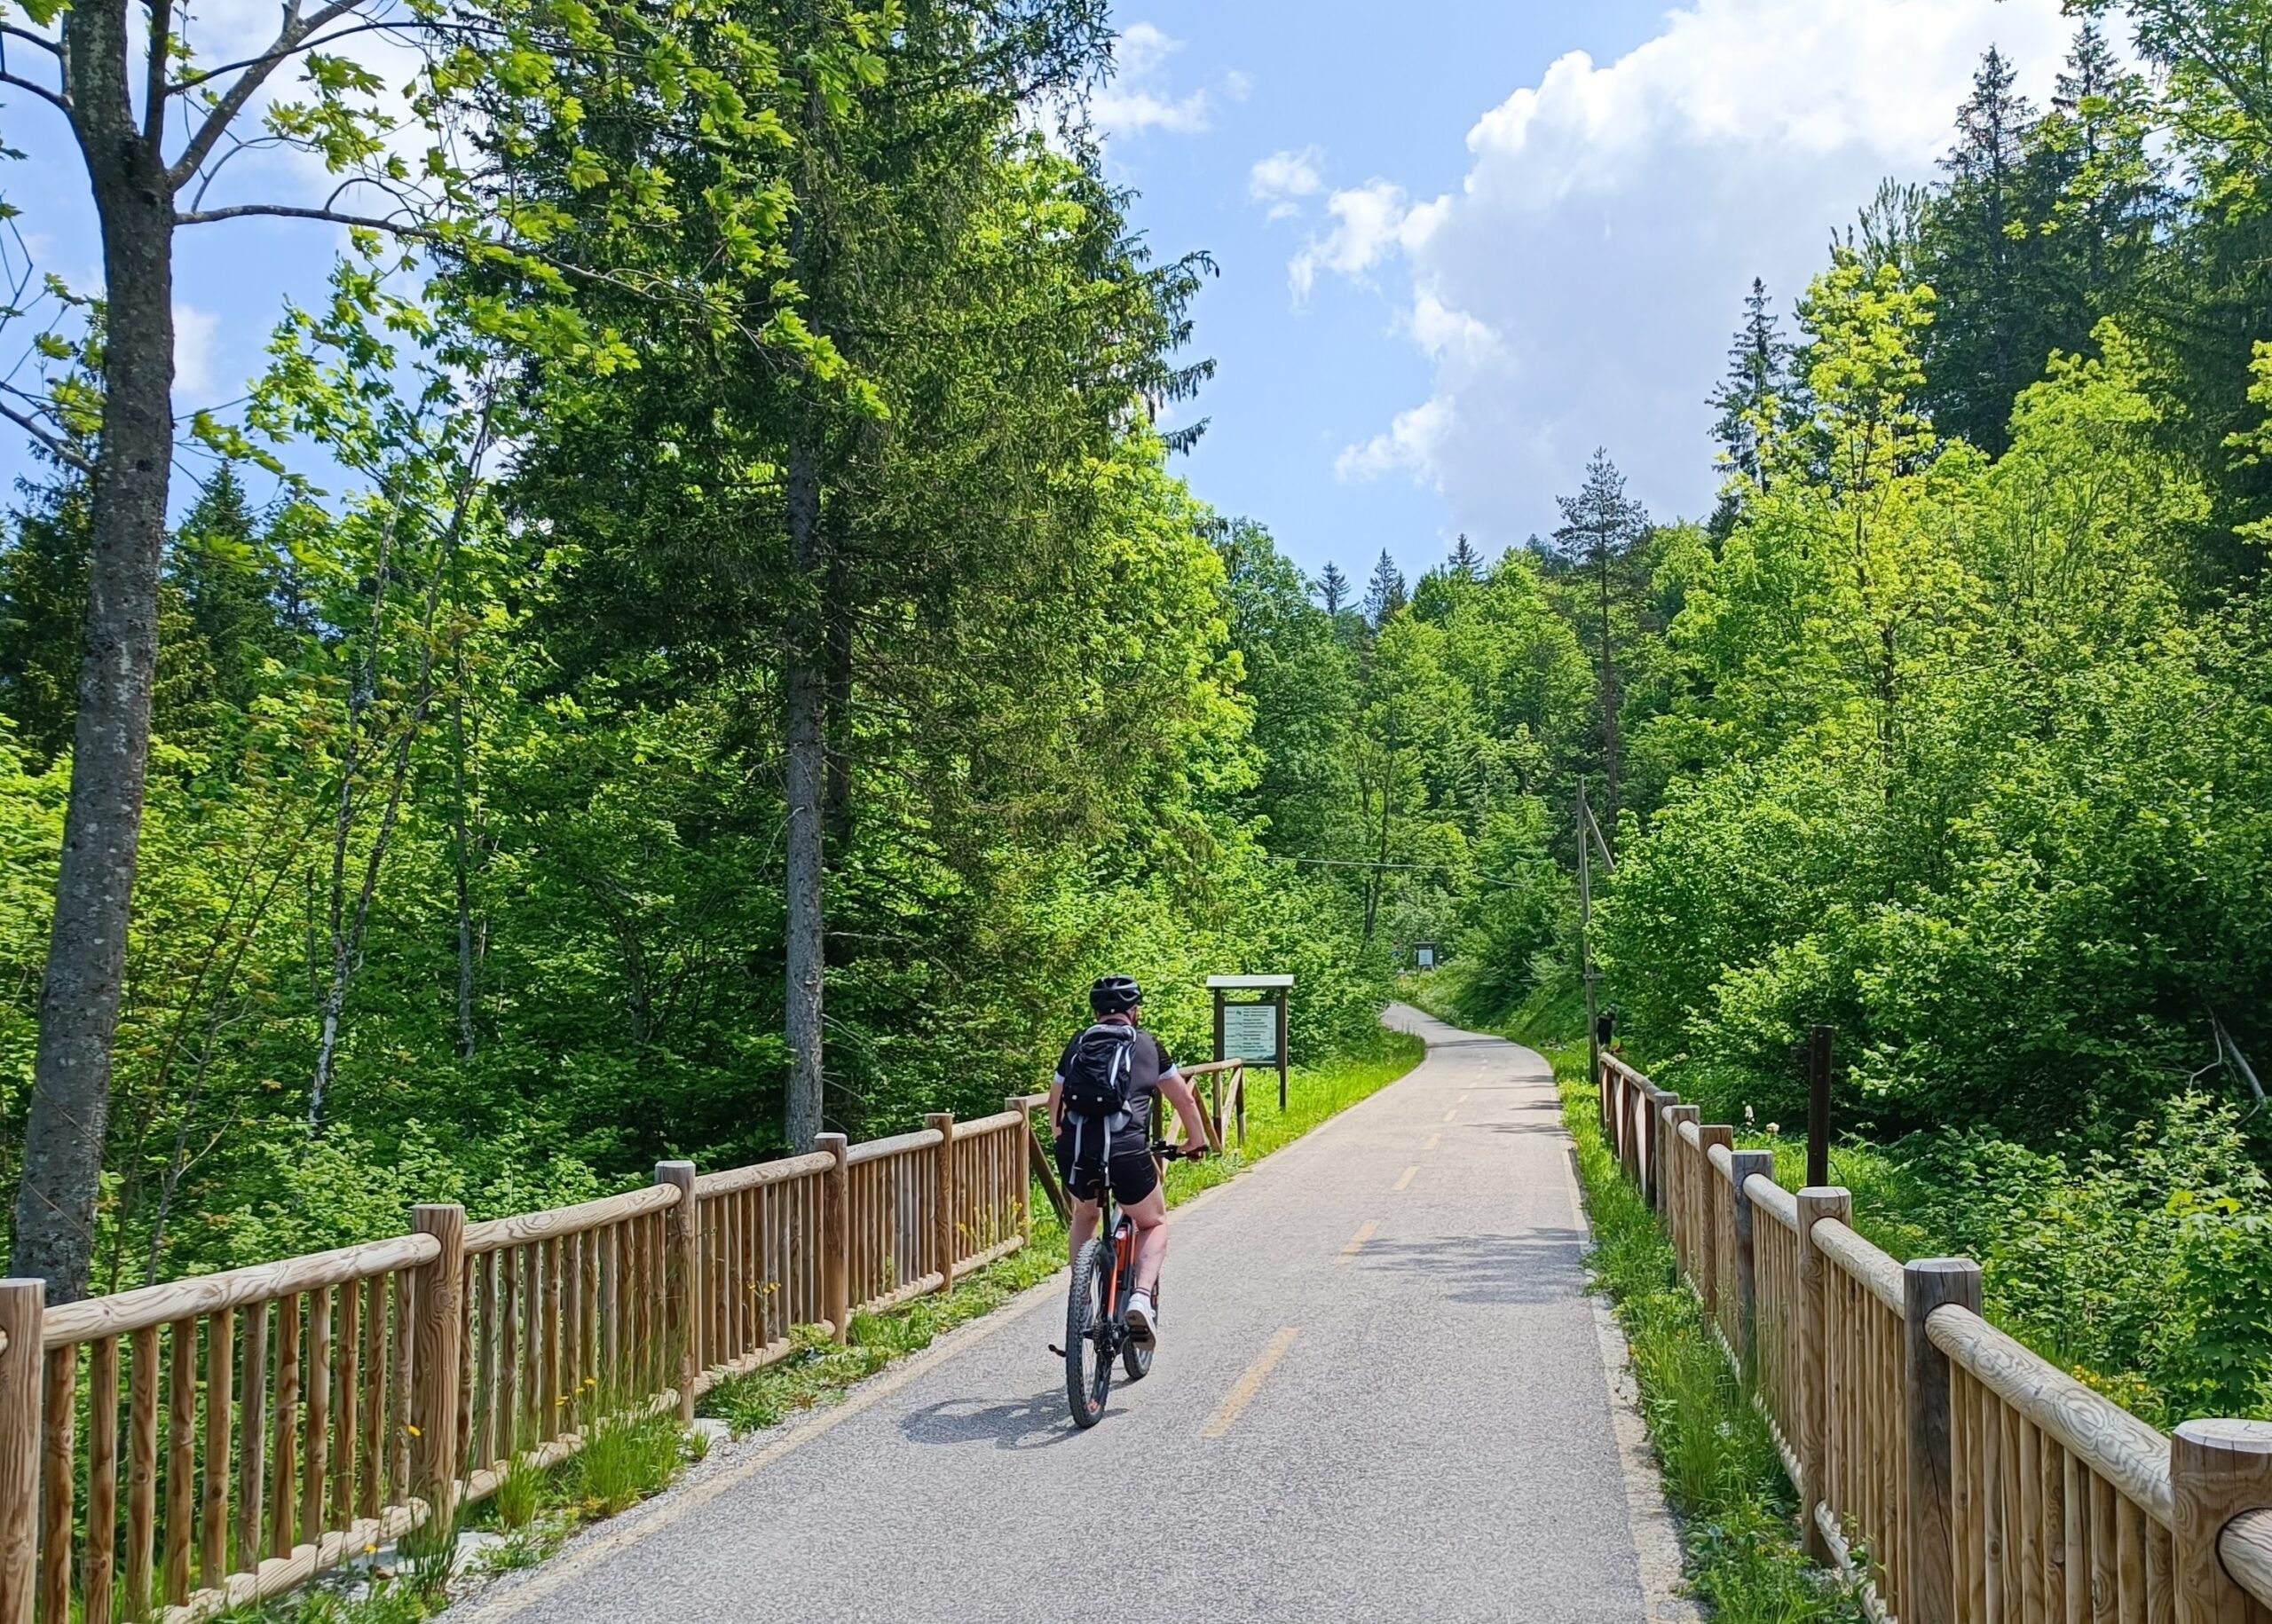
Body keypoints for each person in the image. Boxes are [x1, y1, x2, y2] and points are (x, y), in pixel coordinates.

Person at [1049, 975, 1211, 1344]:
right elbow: (1183, 1100)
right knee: (1153, 1222)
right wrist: (1196, 1141)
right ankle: (1140, 1297)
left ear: (1096, 1013)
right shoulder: (1148, 1045)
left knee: (1086, 1214)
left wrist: (1066, 1142)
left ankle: (1082, 1302)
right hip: (1125, 1150)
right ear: (1134, 1012)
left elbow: (1053, 1104)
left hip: (1077, 1151)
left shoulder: (1078, 1043)